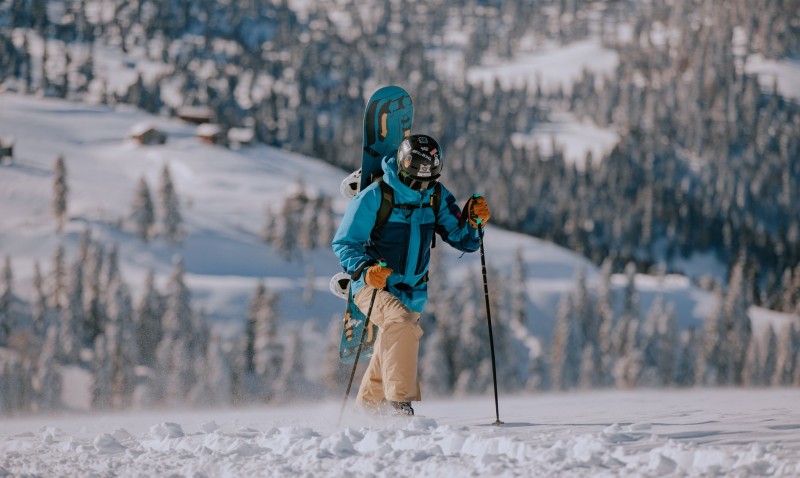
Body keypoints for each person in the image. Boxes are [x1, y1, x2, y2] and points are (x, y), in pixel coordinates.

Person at [332, 134, 491, 415]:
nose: (423, 179)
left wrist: (474, 222)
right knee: (401, 323)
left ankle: (365, 417)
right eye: (418, 169)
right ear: (404, 164)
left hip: (413, 293)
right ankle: (399, 408)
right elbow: (344, 242)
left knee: (389, 353)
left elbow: (462, 239)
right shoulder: (377, 195)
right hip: (373, 286)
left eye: (429, 171)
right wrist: (366, 270)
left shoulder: (436, 197)